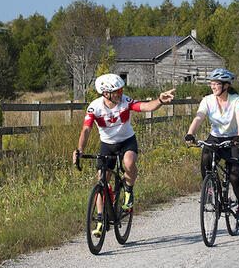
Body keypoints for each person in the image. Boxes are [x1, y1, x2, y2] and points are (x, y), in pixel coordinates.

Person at [73, 73, 175, 236]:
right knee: (102, 179)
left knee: (128, 163)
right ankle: (100, 218)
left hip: (127, 141)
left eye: (121, 90)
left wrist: (160, 100)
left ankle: (128, 191)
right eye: (117, 91)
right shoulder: (95, 107)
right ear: (106, 93)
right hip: (107, 145)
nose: (120, 94)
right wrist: (80, 150)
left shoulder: (125, 102)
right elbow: (86, 129)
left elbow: (145, 107)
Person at [184, 68, 239, 221]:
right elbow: (199, 118)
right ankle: (210, 189)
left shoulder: (236, 100)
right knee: (206, 159)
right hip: (215, 137)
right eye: (211, 84)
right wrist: (190, 133)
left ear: (226, 85)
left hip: (234, 139)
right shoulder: (208, 100)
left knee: (234, 177)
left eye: (216, 84)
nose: (213, 87)